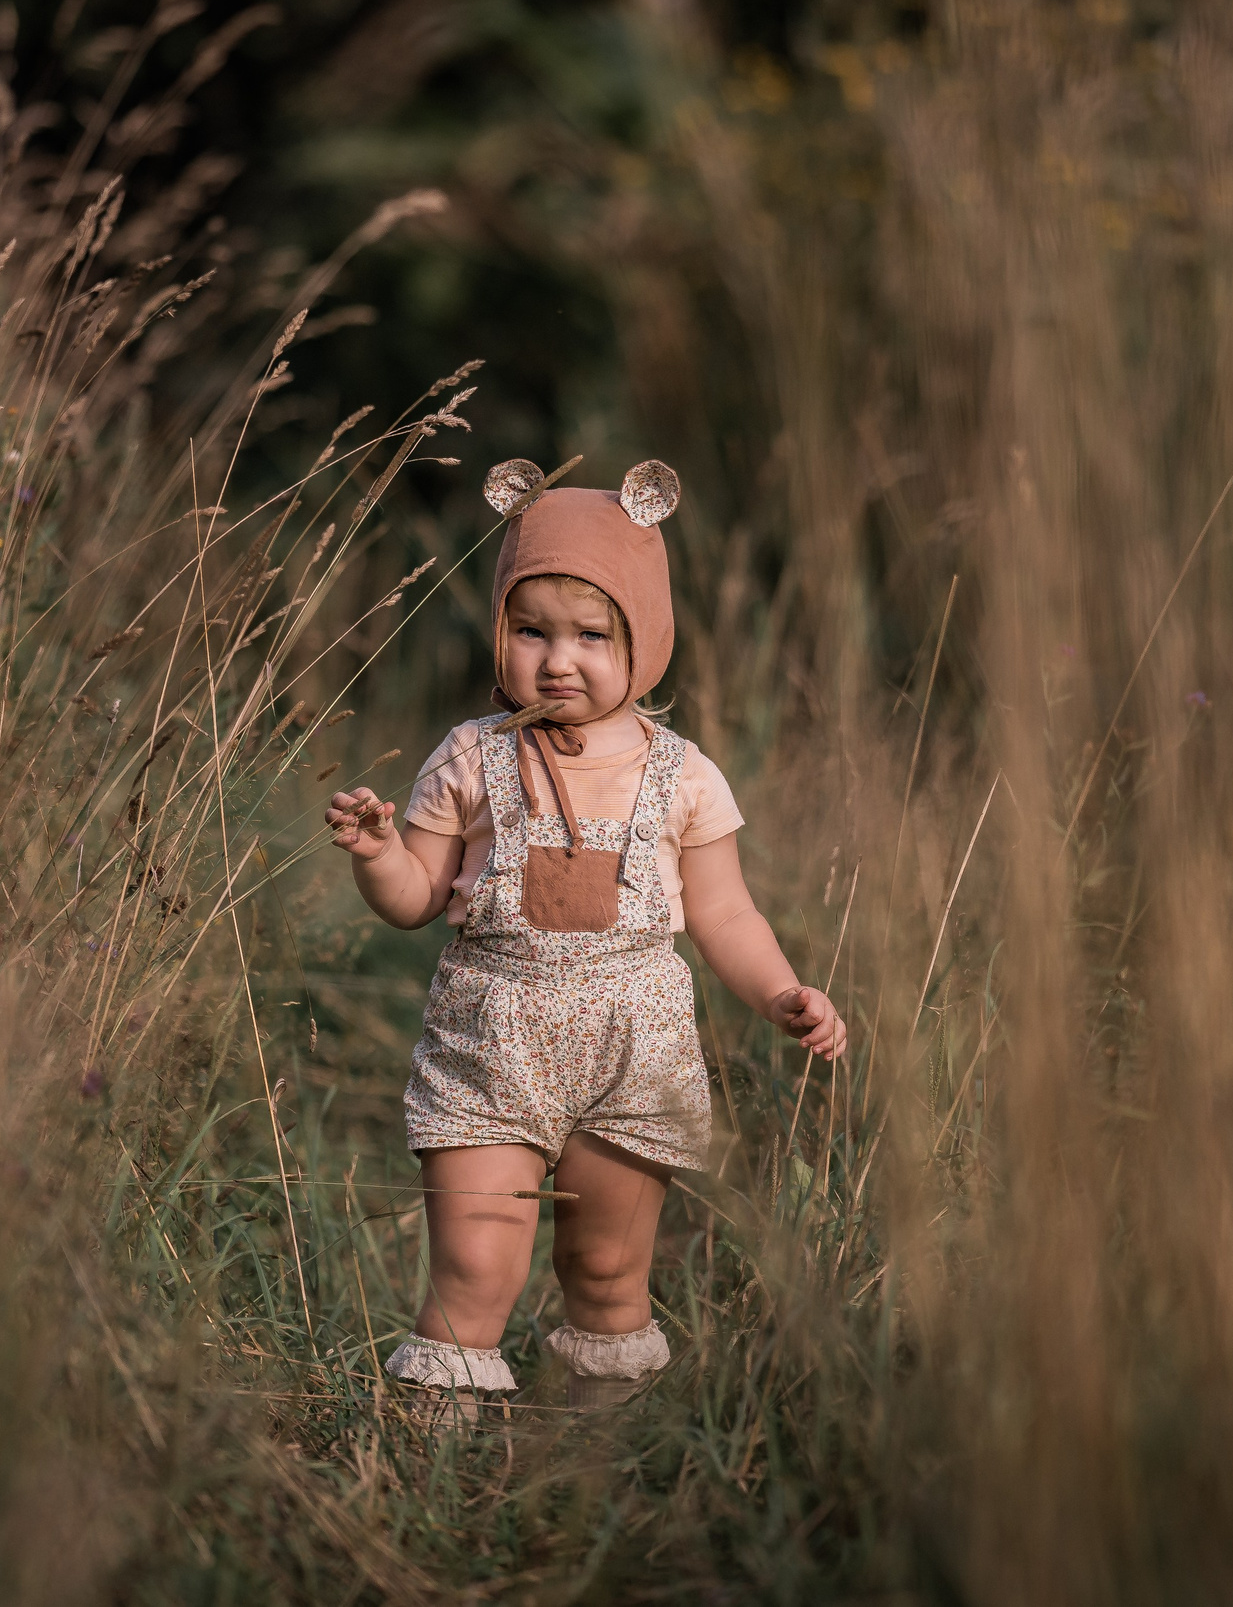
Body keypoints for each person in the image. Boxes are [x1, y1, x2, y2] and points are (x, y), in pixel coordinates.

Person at [323, 458, 847, 1413]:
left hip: (631, 1046)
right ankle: (435, 1462)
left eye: (592, 635)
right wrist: (377, 851)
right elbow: (413, 897)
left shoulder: (684, 774)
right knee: (476, 1267)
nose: (557, 659)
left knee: (605, 1268)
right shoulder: (472, 756)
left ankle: (590, 1454)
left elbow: (725, 913)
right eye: (531, 631)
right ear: (500, 630)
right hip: (493, 1042)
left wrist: (780, 992)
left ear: (643, 641)